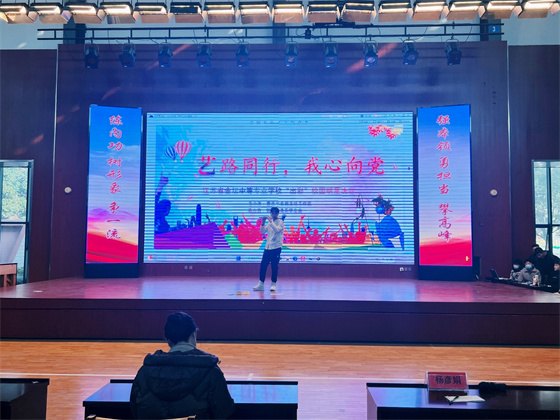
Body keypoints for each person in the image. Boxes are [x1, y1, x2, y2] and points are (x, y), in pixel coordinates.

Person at [130, 312, 234, 419]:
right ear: (194, 334)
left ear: (168, 340)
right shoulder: (211, 372)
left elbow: (134, 410)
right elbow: (223, 411)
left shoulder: (144, 371)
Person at [254, 207, 285, 292]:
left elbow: (277, 230)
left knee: (274, 266)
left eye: (275, 213)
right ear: (271, 213)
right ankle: (261, 284)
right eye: (272, 213)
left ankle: (273, 284)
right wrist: (263, 223)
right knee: (263, 265)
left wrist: (271, 221)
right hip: (267, 247)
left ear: (278, 214)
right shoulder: (269, 223)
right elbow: (262, 232)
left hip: (276, 247)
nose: (273, 215)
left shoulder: (280, 222)